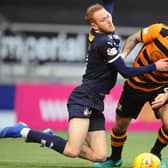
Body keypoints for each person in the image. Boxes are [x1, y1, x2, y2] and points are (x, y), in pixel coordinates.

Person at [0, 1, 168, 164]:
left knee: (100, 156)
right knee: (72, 151)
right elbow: (125, 72)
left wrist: (109, 3)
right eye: (104, 20)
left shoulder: (100, 34)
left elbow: (105, 14)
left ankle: (49, 138)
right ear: (95, 26)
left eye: (108, 17)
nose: (109, 20)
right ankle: (23, 131)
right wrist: (155, 66)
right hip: (84, 98)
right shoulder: (104, 43)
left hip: (96, 102)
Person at [92, 23, 168, 168]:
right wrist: (122, 56)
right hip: (136, 84)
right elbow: (133, 38)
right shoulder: (159, 31)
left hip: (161, 87)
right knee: (120, 125)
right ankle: (115, 159)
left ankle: (155, 154)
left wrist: (166, 95)